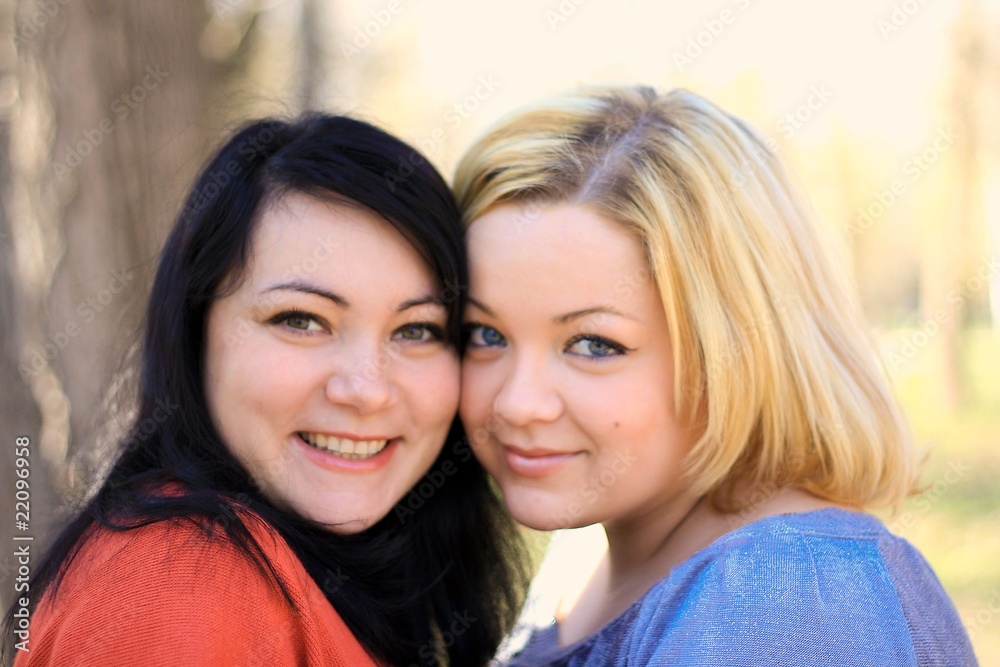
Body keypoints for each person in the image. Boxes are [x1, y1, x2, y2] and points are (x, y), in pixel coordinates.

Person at [453, 86, 977, 666]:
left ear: (733, 351)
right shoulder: (585, 547)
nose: (518, 403)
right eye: (485, 335)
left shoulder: (788, 594)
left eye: (594, 344)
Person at [4, 113, 527, 666]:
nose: (367, 391)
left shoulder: (345, 582)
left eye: (417, 330)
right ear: (196, 328)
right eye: (301, 320)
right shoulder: (178, 581)